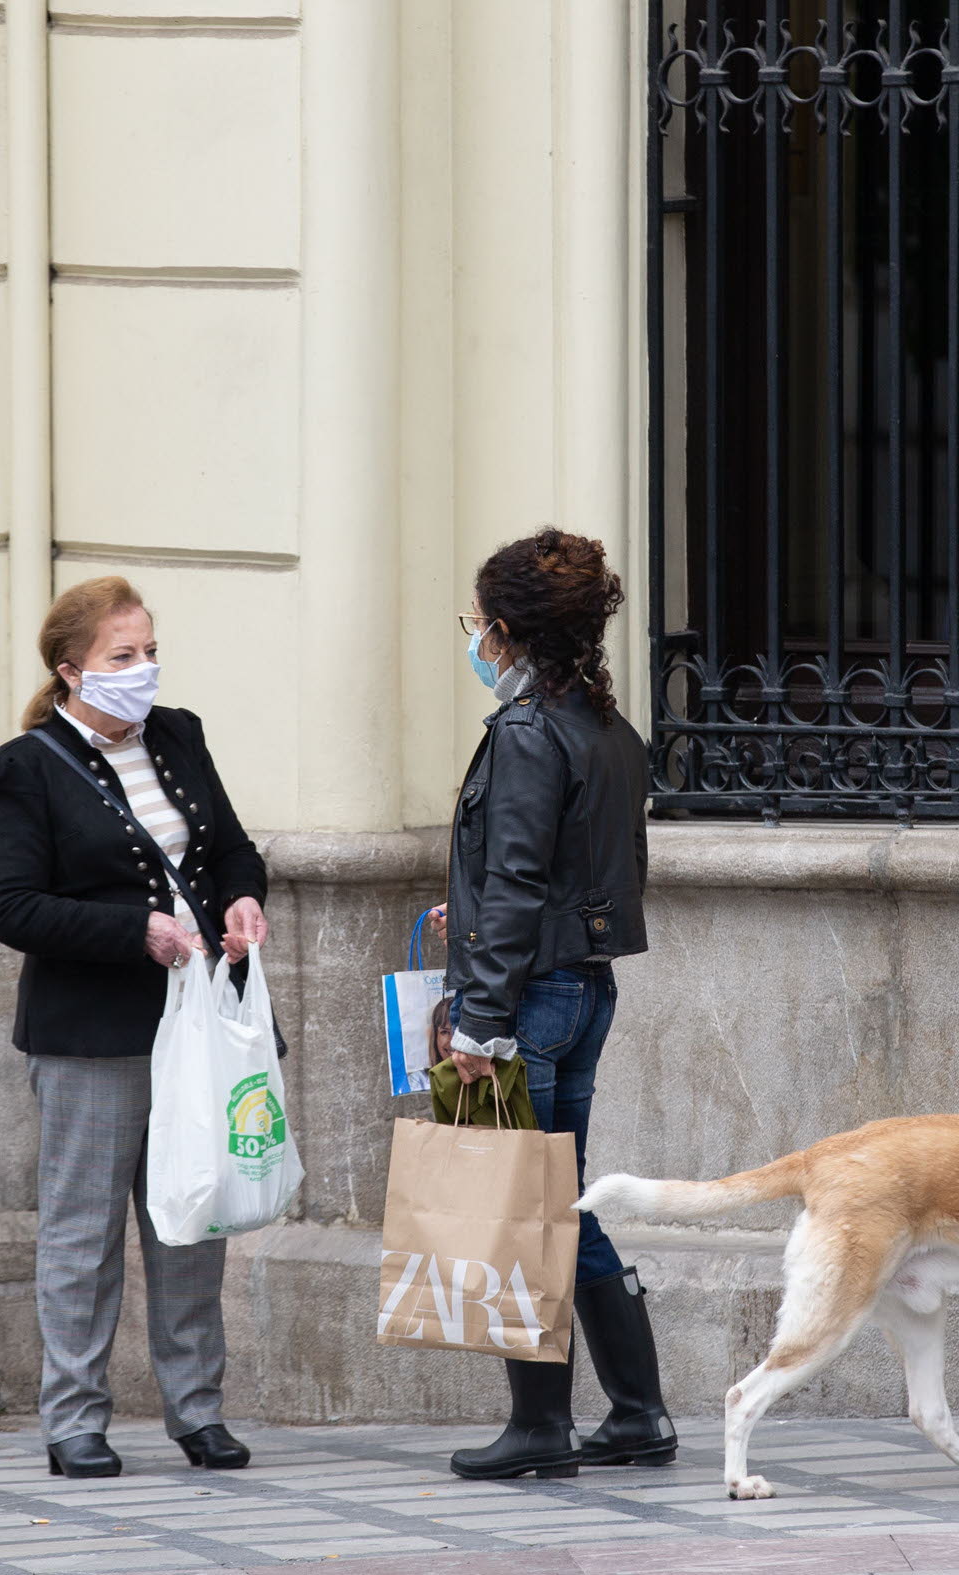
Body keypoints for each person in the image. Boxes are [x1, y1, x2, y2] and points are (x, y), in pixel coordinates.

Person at [0, 576, 270, 1480]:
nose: (144, 670)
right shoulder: (20, 769)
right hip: (91, 1032)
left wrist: (245, 898)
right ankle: (74, 1420)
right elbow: (12, 907)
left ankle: (198, 1410)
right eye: (121, 657)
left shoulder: (179, 734)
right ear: (72, 671)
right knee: (83, 1232)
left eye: (148, 651)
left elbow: (229, 848)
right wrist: (132, 930)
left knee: (192, 1217)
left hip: (197, 1023)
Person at [426, 528, 669, 1481]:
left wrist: (481, 1023)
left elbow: (524, 879)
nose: (475, 638)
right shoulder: (607, 727)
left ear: (506, 629)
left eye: (477, 623)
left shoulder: (528, 732)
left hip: (528, 999)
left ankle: (538, 1429)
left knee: (521, 1206)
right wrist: (479, 904)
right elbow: (584, 870)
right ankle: (639, 1414)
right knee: (560, 1199)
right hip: (581, 985)